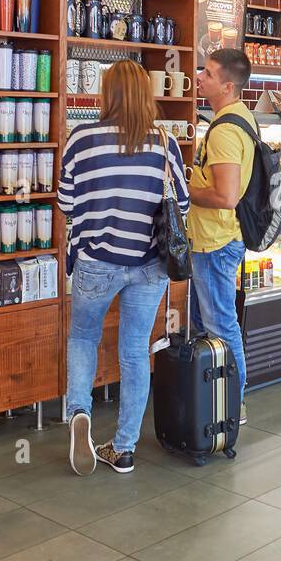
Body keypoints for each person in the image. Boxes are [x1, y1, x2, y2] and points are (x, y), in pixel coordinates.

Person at [59, 60, 189, 476]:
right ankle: (125, 448)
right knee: (134, 352)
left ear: (107, 94)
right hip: (149, 264)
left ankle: (80, 412)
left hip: (96, 262)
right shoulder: (164, 143)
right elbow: (181, 204)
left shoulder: (81, 138)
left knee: (83, 337)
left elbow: (65, 203)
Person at [188, 47, 256, 425]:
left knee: (221, 325)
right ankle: (215, 398)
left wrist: (185, 191)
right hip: (217, 241)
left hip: (215, 242)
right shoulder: (237, 117)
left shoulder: (226, 130)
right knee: (212, 323)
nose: (199, 77)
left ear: (227, 86)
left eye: (208, 74)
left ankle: (233, 404)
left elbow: (226, 196)